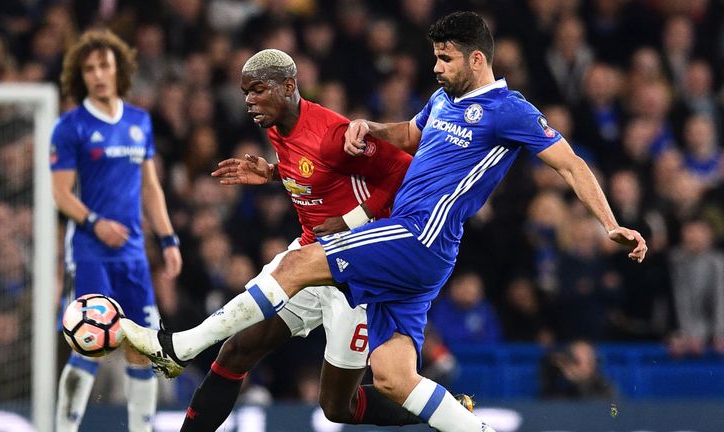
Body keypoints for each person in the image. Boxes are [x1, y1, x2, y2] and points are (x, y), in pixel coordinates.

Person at [123, 11, 647, 432]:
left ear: (478, 58)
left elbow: (571, 163)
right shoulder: (445, 99)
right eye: (435, 58)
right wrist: (371, 126)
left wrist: (609, 223)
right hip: (410, 246)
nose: (436, 68)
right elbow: (412, 136)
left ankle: (180, 346)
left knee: (299, 261)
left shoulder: (509, 110)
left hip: (422, 233)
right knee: (394, 379)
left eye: (445, 59)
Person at [180, 48, 472, 431]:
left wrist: (354, 217)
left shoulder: (333, 134)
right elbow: (313, 172)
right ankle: (184, 354)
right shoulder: (275, 126)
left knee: (338, 406)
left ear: (288, 86)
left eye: (256, 91)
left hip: (358, 270)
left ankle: (449, 410)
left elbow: (404, 172)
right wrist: (271, 172)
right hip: (310, 258)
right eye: (245, 92)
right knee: (237, 350)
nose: (249, 101)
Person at [50, 29, 182, 432]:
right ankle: (64, 428)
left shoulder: (139, 121)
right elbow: (60, 193)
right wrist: (95, 223)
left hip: (134, 254)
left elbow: (150, 187)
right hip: (90, 251)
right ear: (80, 76)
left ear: (118, 69)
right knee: (85, 342)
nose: (98, 75)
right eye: (89, 69)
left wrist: (168, 238)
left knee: (142, 346)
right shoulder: (69, 126)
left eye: (104, 65)